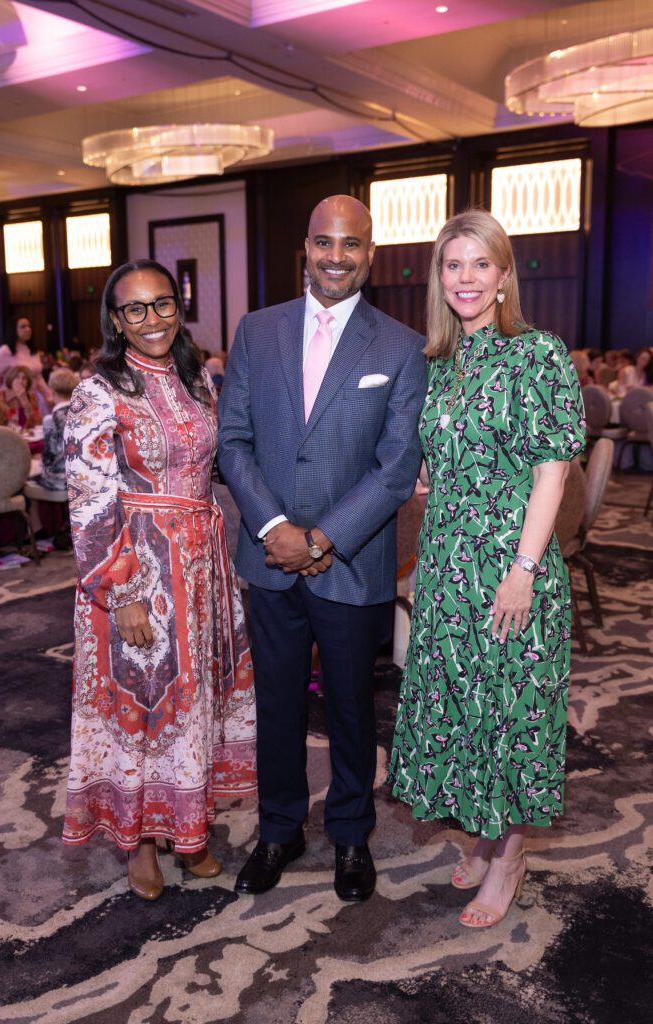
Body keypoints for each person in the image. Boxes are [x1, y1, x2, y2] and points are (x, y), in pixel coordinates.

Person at [218, 195, 427, 902]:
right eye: (322, 243)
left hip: (350, 560)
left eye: (351, 245)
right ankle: (277, 829)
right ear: (304, 248)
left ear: (371, 253)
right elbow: (234, 439)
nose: (335, 257)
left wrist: (321, 538)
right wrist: (274, 527)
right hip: (266, 558)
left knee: (349, 708)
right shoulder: (255, 330)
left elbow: (395, 468)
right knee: (274, 704)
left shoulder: (401, 346)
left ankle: (348, 835)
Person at [389, 209, 585, 928]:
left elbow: (551, 474)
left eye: (479, 264)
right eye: (451, 265)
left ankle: (508, 858)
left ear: (503, 276)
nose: (464, 278)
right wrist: (429, 476)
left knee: (508, 713)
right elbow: (457, 447)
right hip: (445, 563)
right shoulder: (441, 362)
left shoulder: (538, 353)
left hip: (510, 565)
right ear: (439, 280)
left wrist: (523, 569)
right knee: (460, 711)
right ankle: (479, 829)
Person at [62, 258, 257, 900]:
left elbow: (223, 458)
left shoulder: (196, 376)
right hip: (136, 570)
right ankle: (138, 840)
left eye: (163, 304)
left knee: (192, 704)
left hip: (202, 567)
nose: (152, 320)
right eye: (135, 309)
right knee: (143, 706)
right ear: (115, 321)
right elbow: (89, 497)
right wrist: (120, 593)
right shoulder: (99, 392)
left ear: (179, 307)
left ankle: (186, 829)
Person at [0, 315, 52, 412]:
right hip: (13, 401)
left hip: (33, 399)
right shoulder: (5, 351)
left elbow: (38, 378)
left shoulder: (32, 350)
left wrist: (50, 396)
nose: (28, 329)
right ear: (13, 330)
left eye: (29, 326)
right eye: (23, 327)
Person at [31, 368, 77, 491]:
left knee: (27, 478)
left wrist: (38, 458)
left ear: (52, 391)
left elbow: (49, 458)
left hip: (62, 480)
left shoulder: (51, 420)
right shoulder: (86, 414)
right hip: (84, 477)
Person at [1, 365, 42, 429]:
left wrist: (25, 401)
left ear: (28, 383)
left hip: (28, 435)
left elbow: (36, 424)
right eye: (17, 377)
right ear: (11, 379)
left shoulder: (33, 397)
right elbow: (3, 422)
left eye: (24, 378)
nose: (20, 381)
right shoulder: (1, 396)